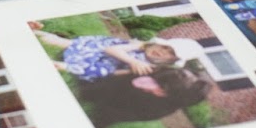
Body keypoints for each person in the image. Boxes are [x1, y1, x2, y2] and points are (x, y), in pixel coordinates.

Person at [38, 30, 200, 80]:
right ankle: (56, 40)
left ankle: (65, 66)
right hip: (98, 50)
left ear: (171, 61)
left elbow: (116, 74)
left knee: (105, 71)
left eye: (168, 54)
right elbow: (111, 50)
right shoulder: (141, 46)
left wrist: (131, 70)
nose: (161, 51)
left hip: (101, 65)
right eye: (165, 47)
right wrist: (132, 61)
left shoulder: (152, 67)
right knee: (103, 44)